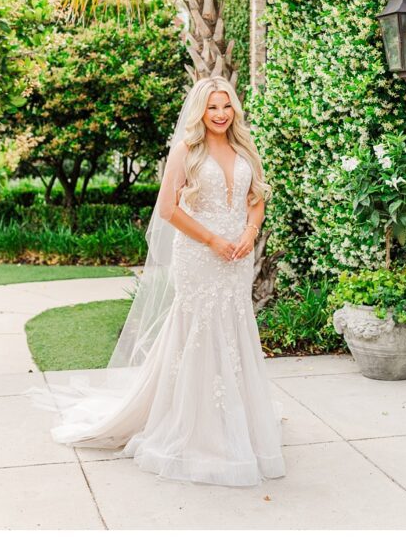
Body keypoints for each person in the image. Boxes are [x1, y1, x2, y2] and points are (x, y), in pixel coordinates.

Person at [28, 77, 285, 486]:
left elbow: (257, 200)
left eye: (226, 106)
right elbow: (167, 210)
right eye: (212, 107)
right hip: (201, 254)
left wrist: (249, 233)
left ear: (234, 109)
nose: (220, 114)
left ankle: (237, 419)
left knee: (234, 327)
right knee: (198, 330)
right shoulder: (187, 151)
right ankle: (196, 426)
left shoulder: (244, 148)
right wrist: (214, 239)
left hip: (237, 255)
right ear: (199, 111)